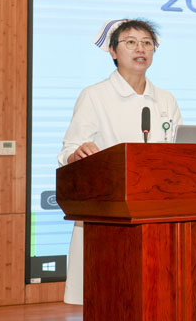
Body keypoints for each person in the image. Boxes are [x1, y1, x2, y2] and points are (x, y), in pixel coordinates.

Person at [57, 19, 182, 305]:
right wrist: (78, 154)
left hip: (157, 211)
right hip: (110, 211)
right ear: (113, 51)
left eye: (147, 43)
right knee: (111, 298)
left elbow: (177, 153)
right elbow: (69, 151)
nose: (141, 49)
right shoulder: (95, 96)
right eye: (131, 42)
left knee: (156, 297)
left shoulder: (165, 99)